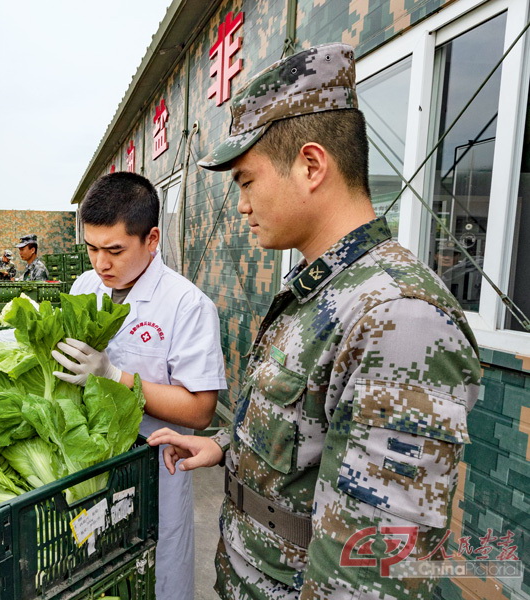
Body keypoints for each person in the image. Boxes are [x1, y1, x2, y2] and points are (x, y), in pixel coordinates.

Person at [147, 43, 481, 600]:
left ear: (310, 165)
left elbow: (372, 570)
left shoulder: (398, 319)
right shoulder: (324, 287)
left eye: (247, 182)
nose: (243, 206)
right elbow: (311, 435)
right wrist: (228, 448)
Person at [51, 171, 227, 600]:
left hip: (155, 474)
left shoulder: (186, 305)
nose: (101, 264)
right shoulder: (85, 286)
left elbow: (200, 410)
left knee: (155, 579)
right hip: (88, 469)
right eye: (92, 248)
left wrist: (114, 377)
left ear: (151, 239)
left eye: (115, 250)